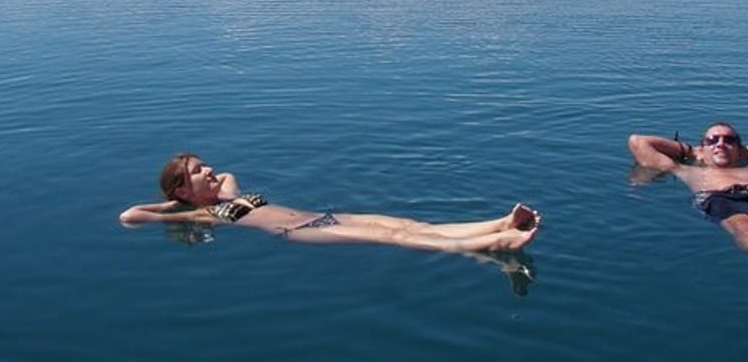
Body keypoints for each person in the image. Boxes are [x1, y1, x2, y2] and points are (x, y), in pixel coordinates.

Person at [119, 153, 540, 253]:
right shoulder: (202, 213)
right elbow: (130, 215)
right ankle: (494, 245)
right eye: (198, 171)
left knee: (409, 223)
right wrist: (171, 207)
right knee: (396, 238)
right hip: (301, 231)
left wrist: (206, 181)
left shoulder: (226, 195)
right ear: (182, 192)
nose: (210, 170)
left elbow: (228, 178)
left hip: (326, 215)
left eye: (206, 165)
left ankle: (498, 222)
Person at [627, 123, 748, 277]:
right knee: (741, 225)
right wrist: (693, 152)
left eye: (729, 141)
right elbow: (638, 142)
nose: (721, 144)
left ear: (739, 150)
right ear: (702, 150)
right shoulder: (687, 171)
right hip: (719, 199)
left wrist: (745, 152)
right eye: (712, 140)